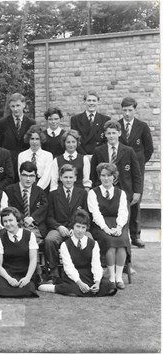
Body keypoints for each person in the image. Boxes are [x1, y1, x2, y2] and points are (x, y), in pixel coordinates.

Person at [38, 209, 117, 297]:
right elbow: (69, 268)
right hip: (74, 277)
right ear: (73, 227)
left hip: (89, 274)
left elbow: (96, 265)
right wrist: (80, 283)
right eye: (78, 226)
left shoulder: (93, 244)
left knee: (110, 287)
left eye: (83, 227)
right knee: (70, 289)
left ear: (86, 228)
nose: (80, 230)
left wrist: (97, 282)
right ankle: (54, 288)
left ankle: (89, 288)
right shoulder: (65, 245)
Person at [90, 120, 142, 249]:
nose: (111, 136)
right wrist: (96, 190)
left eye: (114, 133)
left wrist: (137, 191)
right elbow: (93, 174)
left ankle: (127, 260)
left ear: (119, 133)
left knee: (124, 223)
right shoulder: (99, 151)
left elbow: (136, 173)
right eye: (109, 133)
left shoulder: (128, 151)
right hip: (105, 191)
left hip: (124, 190)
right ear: (105, 135)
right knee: (105, 221)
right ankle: (106, 255)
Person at [88, 163, 130, 290]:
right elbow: (95, 213)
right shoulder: (93, 193)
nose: (106, 178)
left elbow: (123, 211)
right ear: (99, 177)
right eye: (103, 175)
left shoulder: (121, 193)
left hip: (117, 224)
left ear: (114, 177)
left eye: (109, 175)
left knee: (122, 241)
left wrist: (119, 227)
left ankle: (119, 277)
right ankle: (111, 277)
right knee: (109, 241)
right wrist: (105, 228)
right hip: (100, 225)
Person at [44, 164, 89, 282]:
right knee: (50, 240)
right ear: (60, 178)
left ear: (75, 178)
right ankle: (53, 271)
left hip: (77, 228)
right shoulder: (53, 194)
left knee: (89, 239)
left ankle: (83, 271)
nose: (68, 180)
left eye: (71, 177)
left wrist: (76, 228)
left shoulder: (83, 193)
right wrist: (59, 227)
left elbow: (86, 215)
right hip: (59, 228)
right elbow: (49, 217)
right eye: (65, 177)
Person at [118, 97, 153, 248]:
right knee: (120, 202)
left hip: (136, 171)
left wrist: (138, 165)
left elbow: (149, 148)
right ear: (122, 110)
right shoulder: (117, 126)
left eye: (130, 110)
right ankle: (121, 233)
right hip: (119, 172)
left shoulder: (142, 126)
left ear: (135, 110)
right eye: (124, 110)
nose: (127, 113)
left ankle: (135, 235)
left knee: (135, 201)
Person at [4, 161, 48, 242]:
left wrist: (32, 218)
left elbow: (44, 207)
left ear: (35, 177)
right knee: (21, 238)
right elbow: (8, 207)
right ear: (20, 175)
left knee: (31, 239)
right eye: (25, 175)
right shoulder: (10, 190)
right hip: (16, 225)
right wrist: (23, 219)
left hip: (34, 226)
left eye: (31, 176)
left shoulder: (39, 191)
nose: (28, 179)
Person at [0, 93, 36, 178]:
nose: (15, 109)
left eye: (18, 105)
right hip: (8, 163)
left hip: (26, 163)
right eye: (13, 106)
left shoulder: (31, 123)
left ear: (24, 105)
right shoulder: (3, 123)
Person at [70, 90, 111, 156]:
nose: (91, 103)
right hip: (82, 156)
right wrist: (85, 156)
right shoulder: (75, 119)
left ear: (98, 102)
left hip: (99, 155)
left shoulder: (105, 119)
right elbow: (75, 140)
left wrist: (95, 155)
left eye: (94, 101)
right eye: (89, 100)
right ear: (84, 102)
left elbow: (106, 140)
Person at [17, 125, 53, 191]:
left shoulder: (48, 155)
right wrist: (28, 187)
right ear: (28, 140)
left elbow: (46, 176)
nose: (34, 142)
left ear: (41, 140)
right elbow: (21, 174)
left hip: (42, 188)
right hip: (26, 187)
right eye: (32, 139)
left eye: (37, 139)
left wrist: (37, 190)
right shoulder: (22, 155)